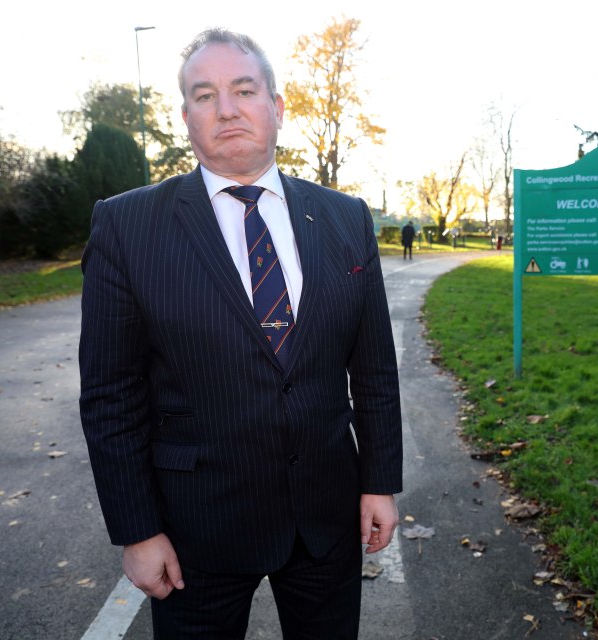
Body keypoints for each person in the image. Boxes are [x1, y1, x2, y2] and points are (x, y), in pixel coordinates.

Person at [78, 28, 402, 639]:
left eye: (244, 90)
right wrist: (138, 531)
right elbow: (110, 395)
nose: (226, 109)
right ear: (186, 118)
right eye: (205, 95)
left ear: (276, 108)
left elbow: (375, 369)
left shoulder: (345, 218)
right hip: (194, 530)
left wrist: (379, 483)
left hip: (324, 520)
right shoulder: (127, 225)